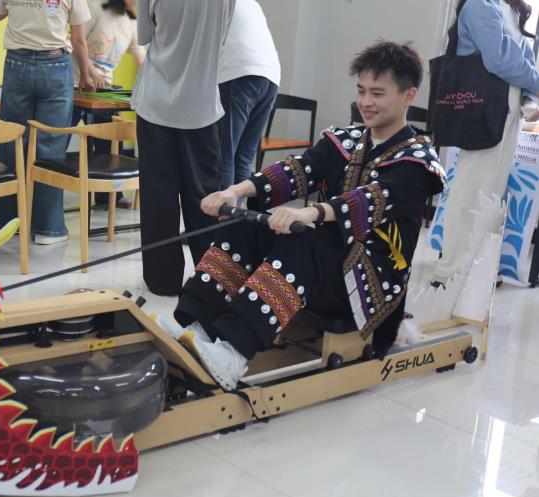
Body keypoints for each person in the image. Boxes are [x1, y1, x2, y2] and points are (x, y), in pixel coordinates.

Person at [160, 41, 446, 390]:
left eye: (377, 93)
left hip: (366, 290)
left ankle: (233, 354)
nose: (366, 101)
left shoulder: (419, 162)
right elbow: (297, 169)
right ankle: (197, 329)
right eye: (361, 91)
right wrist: (234, 192)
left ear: (408, 96)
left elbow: (369, 200)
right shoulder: (346, 140)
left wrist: (311, 213)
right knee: (245, 227)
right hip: (327, 267)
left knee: (305, 242)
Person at [132, 0, 236, 297]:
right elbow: (222, 37)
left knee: (158, 199)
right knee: (205, 198)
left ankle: (162, 281)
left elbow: (144, 36)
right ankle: (211, 281)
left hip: (156, 105)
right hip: (202, 106)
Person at [433, 0, 539, 284]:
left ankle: (474, 267)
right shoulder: (480, 4)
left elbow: (523, 59)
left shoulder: (511, 8)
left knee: (491, 191)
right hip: (486, 107)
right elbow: (498, 58)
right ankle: (452, 270)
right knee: (473, 188)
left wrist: (530, 95)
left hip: (508, 111)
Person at [0, 0, 97, 245]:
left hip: (16, 64)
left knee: (12, 141)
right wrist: (85, 75)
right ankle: (48, 229)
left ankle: (8, 224)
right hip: (56, 65)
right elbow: (79, 39)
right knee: (51, 145)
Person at [72, 0, 145, 208]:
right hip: (76, 84)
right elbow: (75, 43)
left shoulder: (132, 23)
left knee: (110, 138)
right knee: (59, 138)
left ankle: (109, 196)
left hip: (103, 91)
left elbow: (141, 60)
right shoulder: (95, 9)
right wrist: (92, 74)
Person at [218, 0, 280, 189]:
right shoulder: (251, 3)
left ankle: (223, 208)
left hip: (241, 71)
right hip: (271, 76)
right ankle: (238, 207)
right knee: (244, 157)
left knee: (225, 155)